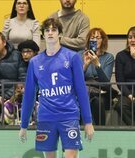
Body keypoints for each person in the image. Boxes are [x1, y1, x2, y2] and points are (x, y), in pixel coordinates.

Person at [19, 18, 94, 158]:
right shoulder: (35, 62)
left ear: (60, 34)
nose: (50, 33)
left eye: (54, 30)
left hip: (69, 115)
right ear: (43, 35)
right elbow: (29, 94)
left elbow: (81, 90)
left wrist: (88, 122)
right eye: (47, 30)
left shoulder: (72, 57)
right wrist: (24, 125)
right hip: (46, 117)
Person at [83, 28, 114, 125]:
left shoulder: (108, 57)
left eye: (98, 38)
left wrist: (97, 65)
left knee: (97, 101)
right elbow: (77, 78)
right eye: (92, 38)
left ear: (103, 40)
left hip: (102, 92)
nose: (95, 40)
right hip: (85, 90)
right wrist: (85, 65)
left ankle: (101, 129)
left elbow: (106, 82)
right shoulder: (81, 55)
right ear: (88, 40)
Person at [115, 26, 135, 125]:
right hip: (127, 91)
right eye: (130, 37)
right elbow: (119, 80)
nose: (132, 40)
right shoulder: (120, 56)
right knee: (120, 105)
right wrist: (130, 95)